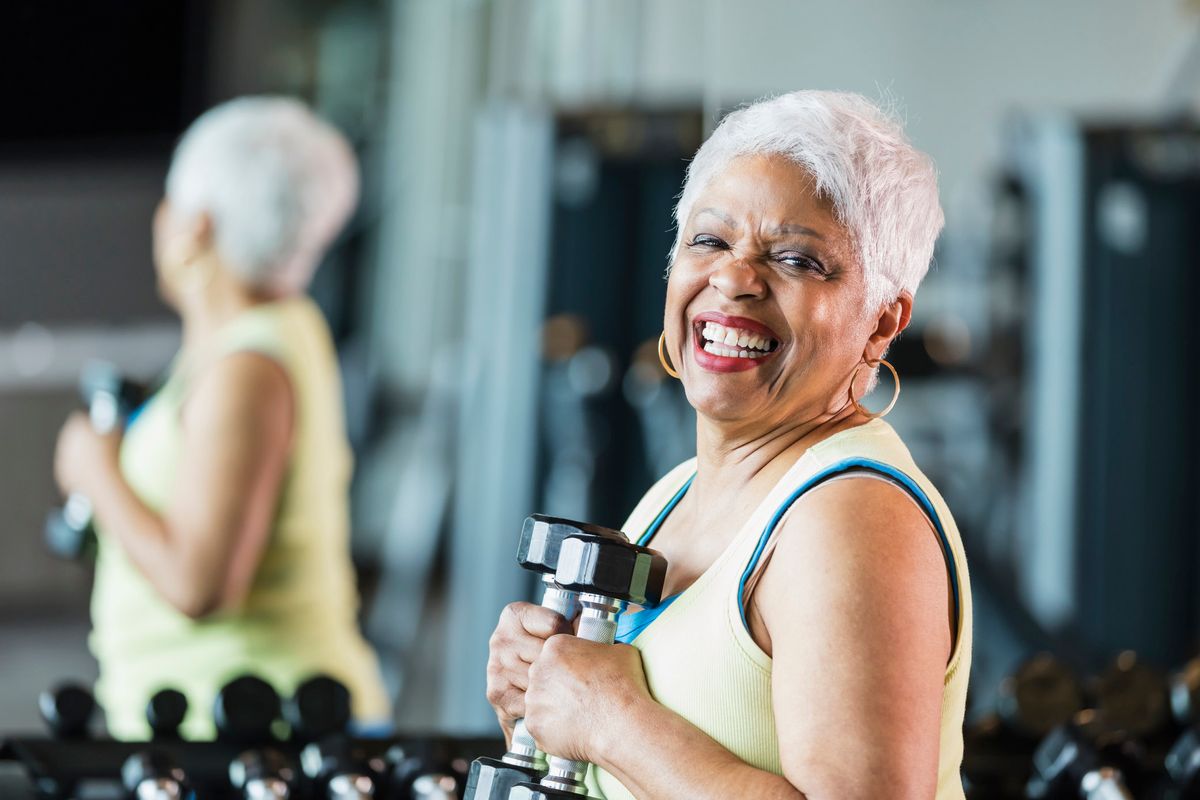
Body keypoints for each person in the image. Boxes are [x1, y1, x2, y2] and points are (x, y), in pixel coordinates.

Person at [485, 90, 971, 799]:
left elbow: (623, 730)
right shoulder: (671, 496)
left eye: (799, 260)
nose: (735, 279)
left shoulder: (850, 518)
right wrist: (537, 703)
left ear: (881, 323)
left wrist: (610, 720)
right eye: (710, 241)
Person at [53, 97, 389, 739]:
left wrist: (96, 471)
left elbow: (198, 584)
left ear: (194, 228)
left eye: (169, 204)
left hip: (263, 738)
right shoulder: (260, 334)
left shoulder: (248, 370)